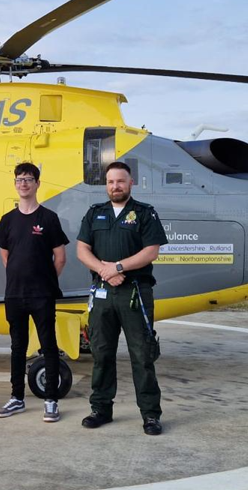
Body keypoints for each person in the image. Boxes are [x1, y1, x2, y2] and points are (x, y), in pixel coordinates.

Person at [76, 161, 168, 436]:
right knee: (102, 353)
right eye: (111, 182)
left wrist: (117, 268)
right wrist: (104, 270)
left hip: (135, 293)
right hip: (103, 293)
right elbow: (82, 250)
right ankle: (100, 409)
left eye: (120, 181)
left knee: (142, 355)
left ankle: (150, 415)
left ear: (131, 183)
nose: (115, 186)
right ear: (106, 185)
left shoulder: (144, 214)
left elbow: (151, 252)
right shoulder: (95, 213)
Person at [0, 162, 69, 422]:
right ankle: (17, 398)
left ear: (37, 184)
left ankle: (51, 400)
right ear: (15, 184)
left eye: (28, 179)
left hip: (42, 295)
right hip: (15, 294)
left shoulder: (48, 218)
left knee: (48, 346)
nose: (23, 183)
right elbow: (6, 256)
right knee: (17, 346)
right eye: (19, 179)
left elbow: (60, 257)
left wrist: (45, 281)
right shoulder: (7, 221)